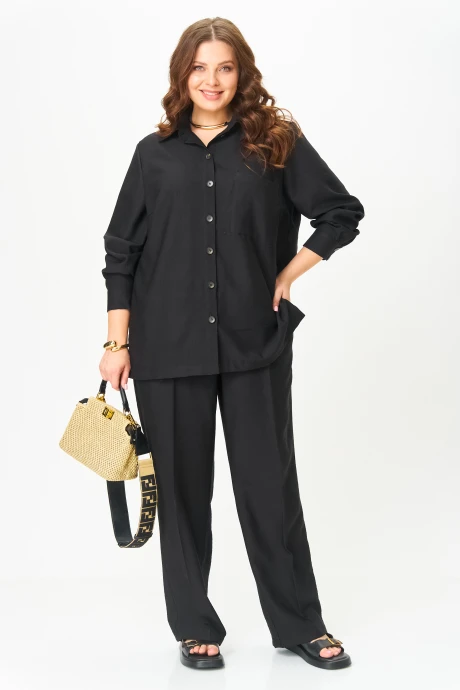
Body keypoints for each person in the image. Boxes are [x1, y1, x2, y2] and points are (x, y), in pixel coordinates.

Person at [100, 17, 364, 671]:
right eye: (199, 68)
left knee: (269, 486)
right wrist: (116, 341)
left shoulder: (275, 143)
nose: (212, 80)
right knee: (182, 493)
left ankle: (300, 624)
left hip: (255, 342)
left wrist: (288, 273)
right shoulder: (153, 155)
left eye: (224, 67)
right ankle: (195, 626)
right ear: (181, 74)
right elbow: (121, 251)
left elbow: (341, 212)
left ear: (241, 73)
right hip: (167, 346)